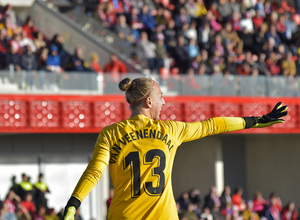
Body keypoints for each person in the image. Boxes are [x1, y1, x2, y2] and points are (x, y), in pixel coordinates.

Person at [63, 77, 288, 220]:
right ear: (149, 102)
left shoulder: (110, 133)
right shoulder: (171, 130)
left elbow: (94, 173)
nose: (164, 102)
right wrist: (255, 120)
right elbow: (214, 125)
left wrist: (73, 205)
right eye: (161, 97)